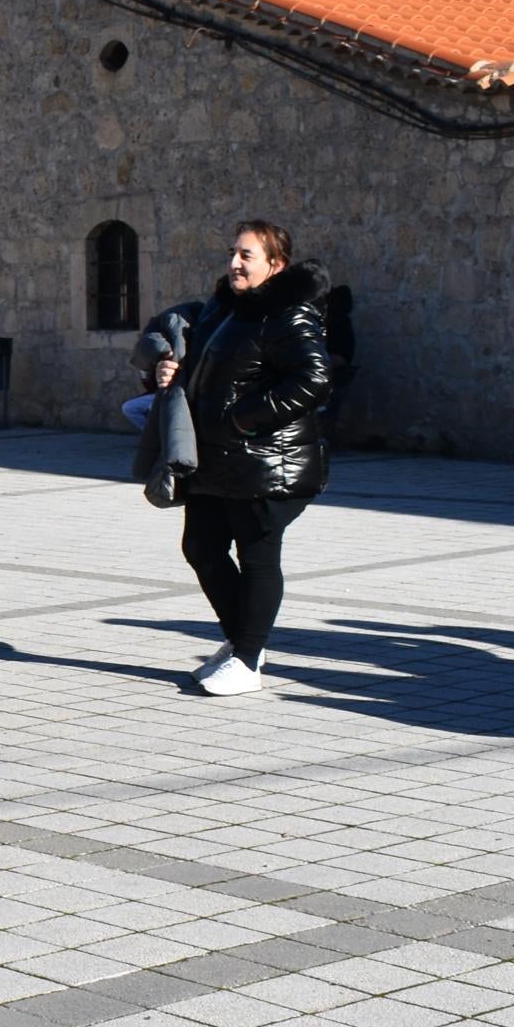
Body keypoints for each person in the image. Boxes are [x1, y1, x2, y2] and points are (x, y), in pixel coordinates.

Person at [152, 221, 336, 697]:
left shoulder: (287, 314)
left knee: (257, 556)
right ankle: (242, 642)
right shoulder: (226, 310)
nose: (234, 263)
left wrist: (245, 419)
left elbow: (314, 379)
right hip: (217, 463)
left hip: (268, 462)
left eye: (247, 255)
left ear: (275, 265)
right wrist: (170, 370)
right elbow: (205, 370)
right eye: (233, 252)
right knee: (201, 548)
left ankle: (248, 658)